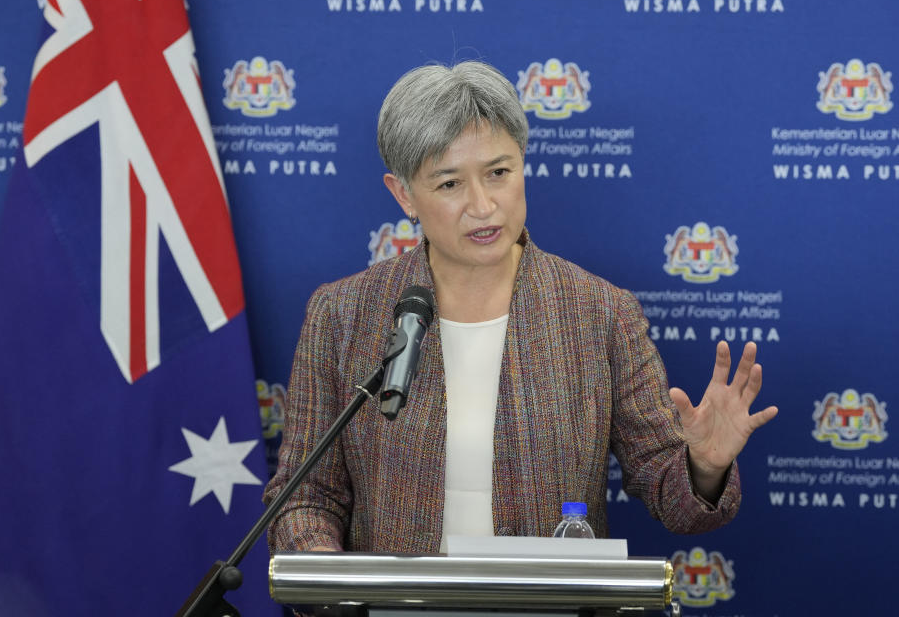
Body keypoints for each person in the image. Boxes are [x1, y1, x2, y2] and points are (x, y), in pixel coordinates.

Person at [263, 61, 778, 554]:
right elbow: (305, 499)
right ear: (403, 195)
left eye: (498, 173)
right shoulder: (343, 315)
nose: (483, 206)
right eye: (449, 183)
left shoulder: (598, 313)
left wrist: (703, 467)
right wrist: (332, 578)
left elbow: (673, 497)